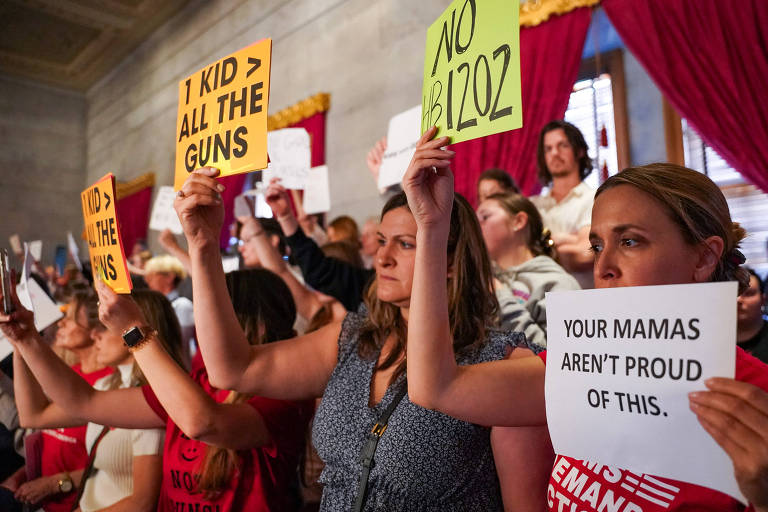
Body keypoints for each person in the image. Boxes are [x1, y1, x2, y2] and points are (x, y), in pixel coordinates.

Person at [172, 153, 550, 510]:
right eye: (382, 241)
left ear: (449, 260)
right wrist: (202, 245)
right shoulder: (355, 339)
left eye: (405, 244)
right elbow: (231, 369)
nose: (382, 258)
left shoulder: (499, 361)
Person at [404, 161, 768, 511]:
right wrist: (432, 229)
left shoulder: (757, 396)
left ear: (704, 258)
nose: (604, 267)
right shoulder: (586, 363)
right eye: (597, 246)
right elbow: (435, 388)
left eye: (629, 241)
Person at [0, 270, 312, 511]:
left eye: (211, 312)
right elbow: (84, 401)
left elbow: (203, 422)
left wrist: (133, 330)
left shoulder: (284, 395)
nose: (200, 325)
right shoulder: (198, 380)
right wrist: (26, 339)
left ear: (250, 324)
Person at [13, 290, 183, 511]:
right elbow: (33, 416)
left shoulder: (156, 400)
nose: (95, 335)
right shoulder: (107, 386)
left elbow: (142, 503)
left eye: (105, 326)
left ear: (138, 326)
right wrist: (20, 340)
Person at [10, 290, 111, 512]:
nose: (61, 323)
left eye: (72, 318)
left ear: (96, 331)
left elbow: (116, 466)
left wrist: (57, 483)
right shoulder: (68, 374)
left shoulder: (109, 385)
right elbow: (31, 417)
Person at [476, 192, 580, 349]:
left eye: (485, 217)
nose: (476, 227)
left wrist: (500, 296)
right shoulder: (484, 279)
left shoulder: (558, 283)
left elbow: (557, 358)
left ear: (518, 221)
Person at [530, 120, 595, 288]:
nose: (555, 153)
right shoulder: (533, 205)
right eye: (548, 149)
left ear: (579, 151)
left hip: (580, 301)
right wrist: (570, 239)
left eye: (563, 145)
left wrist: (542, 245)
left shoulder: (593, 198)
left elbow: (585, 255)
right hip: (541, 303)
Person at [144, 255, 195, 367]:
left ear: (169, 277)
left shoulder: (182, 305)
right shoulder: (154, 306)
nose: (147, 280)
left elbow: (179, 343)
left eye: (152, 275)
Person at [737, 268, 768, 364]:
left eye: (749, 293)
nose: (738, 300)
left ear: (763, 300)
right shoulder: (712, 338)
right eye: (734, 293)